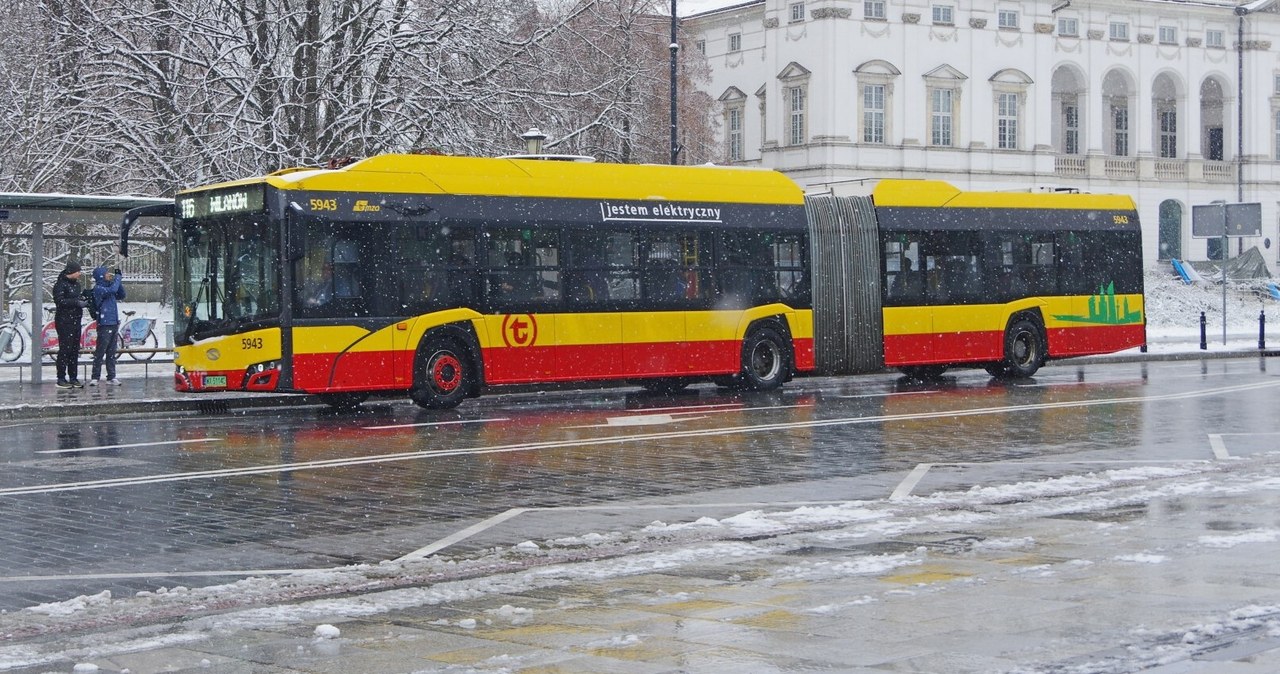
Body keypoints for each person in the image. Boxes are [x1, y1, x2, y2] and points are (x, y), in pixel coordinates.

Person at [89, 265, 126, 386]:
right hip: (104, 324)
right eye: (106, 273)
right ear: (100, 276)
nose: (108, 275)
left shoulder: (110, 287)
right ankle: (95, 376)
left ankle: (111, 376)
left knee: (111, 352)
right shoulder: (99, 289)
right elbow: (112, 291)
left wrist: (117, 281)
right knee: (101, 351)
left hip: (114, 322)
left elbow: (121, 294)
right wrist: (117, 279)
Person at [52, 261, 86, 389]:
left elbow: (75, 298)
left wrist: (82, 300)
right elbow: (60, 301)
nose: (79, 274)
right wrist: (76, 302)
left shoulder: (76, 285)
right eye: (78, 271)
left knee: (74, 350)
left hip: (76, 320)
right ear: (71, 272)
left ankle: (73, 377)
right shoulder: (60, 284)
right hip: (64, 321)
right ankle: (61, 378)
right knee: (65, 349)